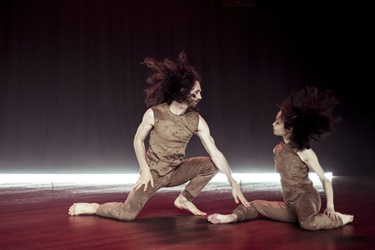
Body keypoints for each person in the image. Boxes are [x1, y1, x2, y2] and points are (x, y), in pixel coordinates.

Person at [68, 51, 250, 221]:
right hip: (153, 174)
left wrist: (232, 180)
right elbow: (138, 140)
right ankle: (95, 208)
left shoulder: (197, 120)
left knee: (211, 164)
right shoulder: (154, 114)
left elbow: (215, 153)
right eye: (196, 93)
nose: (200, 96)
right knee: (127, 213)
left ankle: (184, 199)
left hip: (176, 170)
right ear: (181, 92)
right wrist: (145, 170)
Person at [207, 86, 354, 230]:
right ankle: (232, 217)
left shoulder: (304, 151)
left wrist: (330, 207)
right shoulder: (277, 150)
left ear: (289, 129)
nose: (273, 124)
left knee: (308, 223)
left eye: (277, 122)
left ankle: (340, 219)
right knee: (255, 205)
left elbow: (325, 179)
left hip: (306, 198)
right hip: (290, 204)